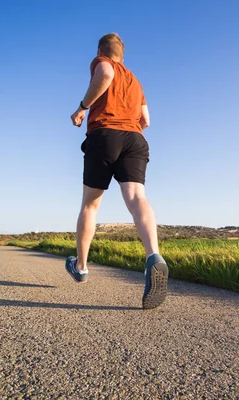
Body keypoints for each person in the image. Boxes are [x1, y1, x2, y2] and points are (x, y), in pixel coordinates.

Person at [67, 33, 168, 310]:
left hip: (104, 134)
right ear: (123, 54)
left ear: (102, 50)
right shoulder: (135, 80)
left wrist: (82, 108)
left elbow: (106, 72)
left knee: (90, 205)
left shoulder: (102, 62)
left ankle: (81, 266)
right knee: (137, 198)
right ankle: (154, 257)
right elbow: (146, 119)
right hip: (135, 139)